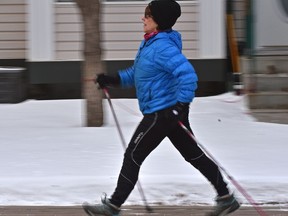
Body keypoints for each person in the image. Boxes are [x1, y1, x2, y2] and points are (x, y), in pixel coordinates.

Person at [82, 0, 240, 215]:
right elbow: (137, 74)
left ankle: (113, 205)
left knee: (133, 156)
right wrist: (111, 79)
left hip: (162, 113)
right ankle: (226, 197)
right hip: (169, 113)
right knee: (193, 154)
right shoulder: (151, 43)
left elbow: (188, 76)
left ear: (158, 21)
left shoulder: (162, 47)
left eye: (147, 15)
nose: (143, 18)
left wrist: (180, 106)